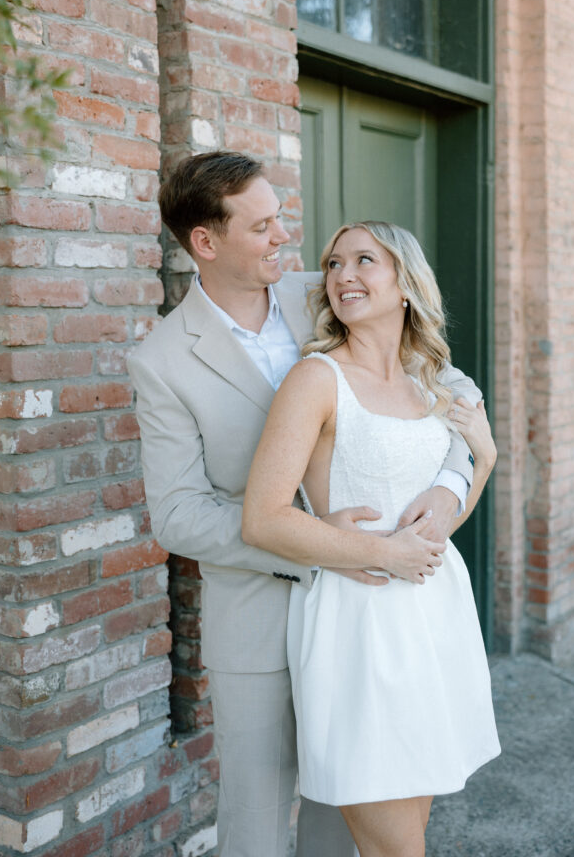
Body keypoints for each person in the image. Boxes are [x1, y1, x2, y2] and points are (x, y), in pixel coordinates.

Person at [128, 152, 484, 857]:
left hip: (368, 613)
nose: (283, 237)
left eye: (279, 219)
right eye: (261, 226)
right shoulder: (161, 360)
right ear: (206, 241)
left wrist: (449, 487)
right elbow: (177, 513)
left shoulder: (325, 294)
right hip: (258, 614)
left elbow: (449, 387)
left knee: (345, 811)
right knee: (257, 821)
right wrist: (319, 543)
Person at [242, 220, 500, 857]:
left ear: (406, 283)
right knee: (397, 848)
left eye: (364, 260)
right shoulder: (316, 379)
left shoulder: (432, 380)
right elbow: (263, 518)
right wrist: (384, 552)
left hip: (436, 619)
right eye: (334, 263)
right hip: (360, 627)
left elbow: (438, 530)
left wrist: (483, 463)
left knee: (411, 833)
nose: (343, 275)